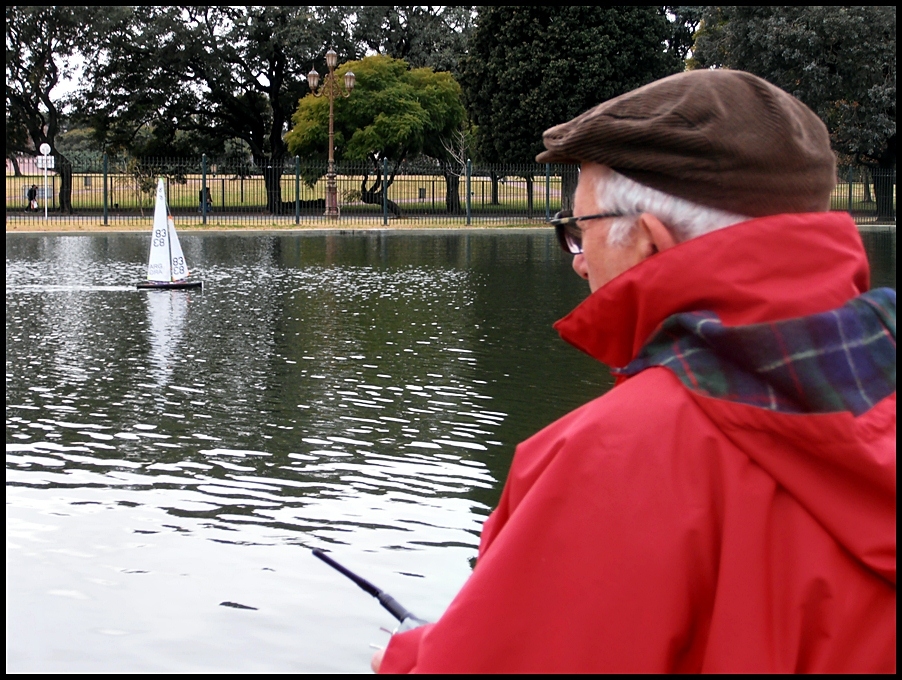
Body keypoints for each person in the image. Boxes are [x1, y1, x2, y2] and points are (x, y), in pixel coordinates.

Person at [373, 70, 896, 673]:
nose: (577, 261)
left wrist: (413, 652)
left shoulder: (613, 458)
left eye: (578, 231)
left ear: (648, 241)